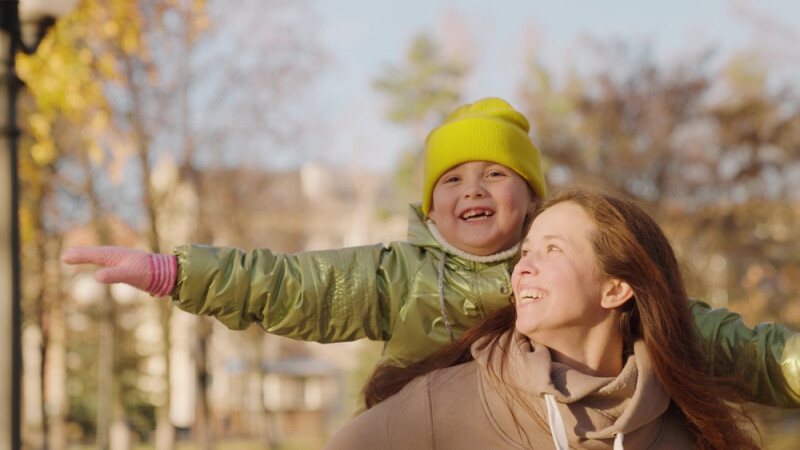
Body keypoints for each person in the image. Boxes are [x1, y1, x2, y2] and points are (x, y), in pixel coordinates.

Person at [61, 97, 799, 406]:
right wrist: (170, 272)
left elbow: (715, 340)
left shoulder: (573, 270)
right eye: (451, 178)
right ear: (429, 207)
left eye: (494, 175)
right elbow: (290, 285)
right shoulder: (398, 276)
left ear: (531, 199)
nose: (471, 188)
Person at [325, 187, 760, 449]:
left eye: (552, 249)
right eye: (526, 252)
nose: (524, 268)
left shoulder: (686, 428)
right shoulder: (442, 405)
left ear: (616, 288)